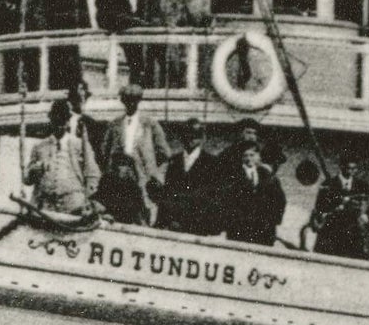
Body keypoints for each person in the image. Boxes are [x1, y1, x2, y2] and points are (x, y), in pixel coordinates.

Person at [95, 83, 170, 221]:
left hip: (142, 179)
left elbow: (165, 154)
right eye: (127, 100)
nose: (130, 103)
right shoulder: (114, 125)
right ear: (123, 101)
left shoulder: (150, 124)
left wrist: (157, 177)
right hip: (119, 179)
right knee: (118, 214)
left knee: (142, 215)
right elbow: (103, 153)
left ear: (138, 101)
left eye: (134, 100)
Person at [24, 96, 97, 219]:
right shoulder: (39, 147)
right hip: (45, 207)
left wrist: (89, 202)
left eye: (63, 121)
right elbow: (27, 179)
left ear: (68, 121)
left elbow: (92, 175)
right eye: (56, 121)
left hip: (74, 207)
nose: (59, 125)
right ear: (51, 120)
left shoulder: (79, 145)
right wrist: (34, 172)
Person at [158, 120, 224, 234]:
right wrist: (162, 222)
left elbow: (212, 196)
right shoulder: (174, 161)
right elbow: (168, 193)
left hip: (199, 226)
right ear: (181, 137)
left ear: (202, 138)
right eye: (187, 134)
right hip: (174, 225)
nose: (190, 139)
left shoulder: (212, 163)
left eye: (195, 135)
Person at [221, 141, 286, 246]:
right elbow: (228, 201)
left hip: (263, 232)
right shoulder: (234, 176)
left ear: (258, 157)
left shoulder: (268, 177)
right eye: (245, 155)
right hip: (240, 231)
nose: (248, 158)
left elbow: (279, 201)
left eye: (252, 155)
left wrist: (271, 222)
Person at [315, 176, 369, 261]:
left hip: (352, 236)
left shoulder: (361, 185)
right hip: (333, 230)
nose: (351, 171)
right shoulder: (329, 183)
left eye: (353, 168)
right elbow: (320, 208)